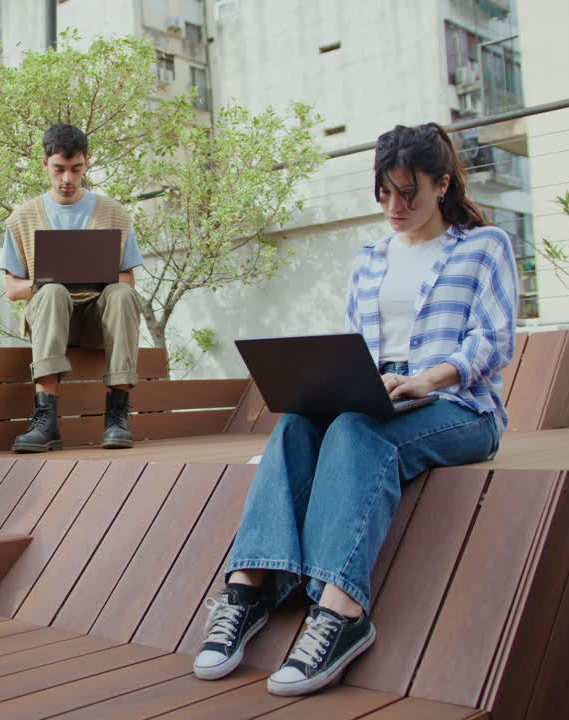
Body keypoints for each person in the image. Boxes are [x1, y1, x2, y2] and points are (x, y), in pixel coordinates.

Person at [192, 123, 518, 695]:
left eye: (409, 192)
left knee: (360, 430)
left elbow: (492, 340)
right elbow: (356, 347)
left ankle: (341, 612)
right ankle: (246, 590)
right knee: (296, 422)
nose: (395, 205)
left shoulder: (484, 246)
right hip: (378, 395)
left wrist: (425, 379)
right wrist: (337, 382)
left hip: (459, 405)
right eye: (384, 191)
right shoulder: (369, 260)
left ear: (442, 185)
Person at [0, 123, 144, 453]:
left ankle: (117, 417)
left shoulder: (114, 214)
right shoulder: (22, 217)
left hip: (98, 321)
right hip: (52, 320)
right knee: (51, 292)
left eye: (76, 169)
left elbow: (128, 279)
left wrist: (96, 277)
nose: (67, 179)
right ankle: (45, 421)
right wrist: (47, 282)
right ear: (45, 164)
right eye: (59, 169)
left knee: (122, 293)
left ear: (87, 163)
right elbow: (12, 289)